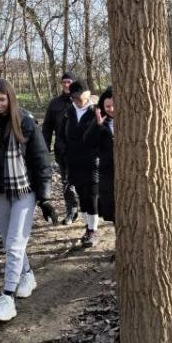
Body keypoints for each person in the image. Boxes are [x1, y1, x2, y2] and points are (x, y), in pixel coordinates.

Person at [0, 79, 56, 323]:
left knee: (15, 245)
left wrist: (45, 199)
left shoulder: (25, 122)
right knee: (9, 243)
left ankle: (7, 298)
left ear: (10, 99)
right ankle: (27, 275)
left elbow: (41, 160)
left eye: (2, 100)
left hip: (24, 190)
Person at [58, 81, 100, 247]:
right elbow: (61, 136)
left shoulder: (96, 111)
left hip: (93, 162)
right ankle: (87, 228)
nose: (77, 101)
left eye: (79, 98)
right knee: (82, 196)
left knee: (92, 195)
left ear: (87, 95)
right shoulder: (68, 113)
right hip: (74, 162)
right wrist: (62, 152)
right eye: (74, 98)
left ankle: (93, 230)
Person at [42, 71, 77, 224]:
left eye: (69, 82)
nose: (66, 85)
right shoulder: (54, 104)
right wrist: (45, 149)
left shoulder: (81, 102)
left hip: (82, 150)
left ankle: (90, 213)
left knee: (84, 183)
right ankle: (71, 210)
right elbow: (47, 128)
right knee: (67, 182)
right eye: (64, 82)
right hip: (62, 150)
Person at [84, 86, 115, 224]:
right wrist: (97, 126)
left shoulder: (129, 120)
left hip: (128, 172)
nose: (111, 109)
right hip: (107, 172)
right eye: (107, 106)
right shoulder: (99, 120)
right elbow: (87, 141)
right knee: (114, 211)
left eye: (114, 105)